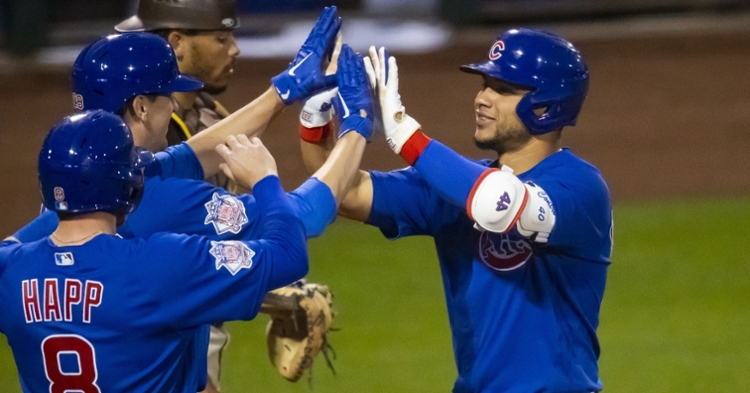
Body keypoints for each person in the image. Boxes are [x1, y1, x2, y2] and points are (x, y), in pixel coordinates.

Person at [11, 11, 373, 392]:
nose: (174, 106)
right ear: (140, 107)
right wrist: (357, 129)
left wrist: (282, 91)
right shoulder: (168, 212)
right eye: (167, 95)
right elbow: (306, 217)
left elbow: (188, 157)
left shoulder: (56, 212)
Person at [301, 28, 613, 392]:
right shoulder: (454, 185)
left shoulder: (578, 187)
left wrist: (404, 132)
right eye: (484, 84)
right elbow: (344, 189)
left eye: (503, 89)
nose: (482, 98)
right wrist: (316, 113)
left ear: (546, 105)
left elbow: (501, 205)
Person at [0, 110, 308, 393]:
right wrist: (264, 179)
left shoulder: (10, 272)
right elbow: (289, 255)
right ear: (126, 185)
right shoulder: (159, 264)